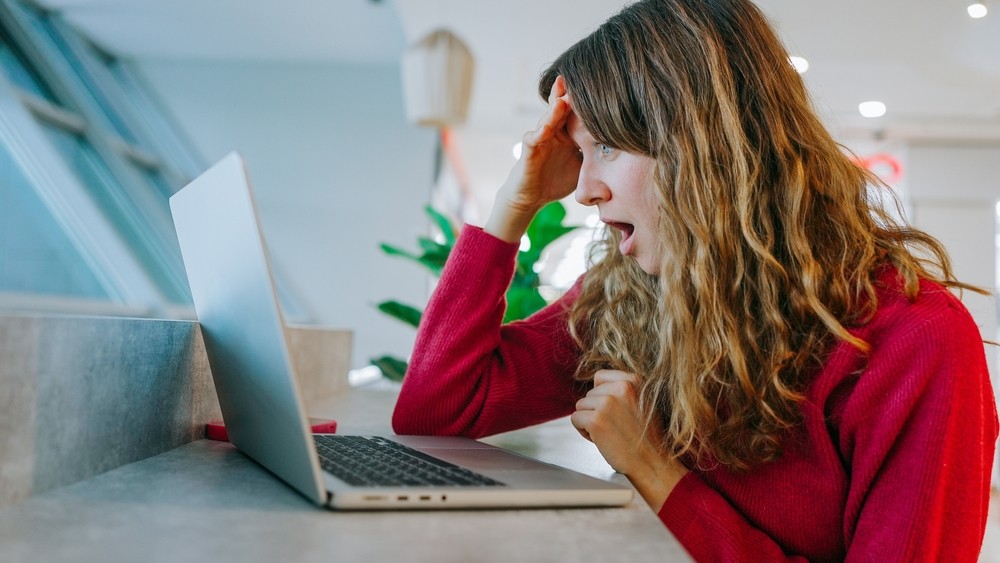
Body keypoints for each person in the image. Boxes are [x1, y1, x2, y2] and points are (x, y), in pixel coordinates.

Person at [392, 0, 1000, 559]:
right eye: (580, 155)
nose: (581, 190)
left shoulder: (914, 340)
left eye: (604, 148)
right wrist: (511, 207)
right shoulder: (628, 296)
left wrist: (655, 471)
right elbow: (436, 411)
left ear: (698, 146)